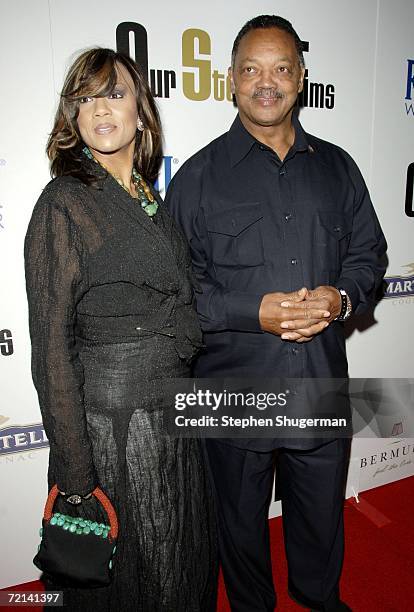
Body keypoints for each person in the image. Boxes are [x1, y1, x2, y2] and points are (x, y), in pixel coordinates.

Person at [166, 15, 386, 612]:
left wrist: (341, 298)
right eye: (252, 70)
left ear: (301, 77)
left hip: (317, 381)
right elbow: (174, 290)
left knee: (320, 522)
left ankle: (319, 600)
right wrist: (249, 312)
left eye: (282, 69)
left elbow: (369, 254)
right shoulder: (195, 180)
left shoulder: (339, 168)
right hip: (231, 388)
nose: (268, 83)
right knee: (239, 532)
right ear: (231, 80)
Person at [25, 48, 217, 612]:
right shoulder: (64, 203)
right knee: (140, 576)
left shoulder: (148, 197)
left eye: (115, 93)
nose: (101, 110)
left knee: (181, 561)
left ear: (142, 112)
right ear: (73, 118)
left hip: (172, 421)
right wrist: (76, 474)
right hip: (114, 432)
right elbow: (52, 349)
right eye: (86, 99)